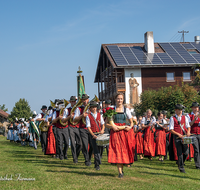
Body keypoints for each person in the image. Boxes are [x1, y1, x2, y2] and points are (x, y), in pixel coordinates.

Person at [105, 93, 135, 178]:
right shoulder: (111, 110)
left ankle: (122, 167)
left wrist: (130, 127)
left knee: (124, 150)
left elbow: (132, 122)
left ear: (123, 100)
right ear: (115, 99)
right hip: (115, 132)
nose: (120, 100)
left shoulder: (126, 110)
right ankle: (120, 172)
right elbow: (106, 124)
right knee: (117, 150)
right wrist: (112, 126)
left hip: (124, 133)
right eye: (118, 98)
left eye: (121, 99)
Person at [169, 104, 190, 173]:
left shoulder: (185, 117)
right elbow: (171, 129)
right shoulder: (172, 118)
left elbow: (188, 126)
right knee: (180, 152)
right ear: (176, 110)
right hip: (177, 137)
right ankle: (181, 168)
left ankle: (180, 162)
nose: (180, 111)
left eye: (181, 110)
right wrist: (178, 134)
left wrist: (188, 132)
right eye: (178, 110)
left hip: (184, 137)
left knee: (186, 152)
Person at [73, 94, 93, 166]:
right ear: (81, 100)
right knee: (84, 145)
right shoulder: (79, 109)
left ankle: (89, 158)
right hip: (82, 128)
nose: (85, 101)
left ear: (88, 100)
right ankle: (87, 160)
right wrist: (82, 116)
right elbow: (74, 119)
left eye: (86, 99)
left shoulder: (92, 108)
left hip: (91, 128)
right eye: (83, 99)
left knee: (92, 145)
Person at [62, 96, 82, 163]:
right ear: (70, 102)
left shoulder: (78, 108)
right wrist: (69, 117)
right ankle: (75, 159)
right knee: (73, 143)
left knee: (80, 144)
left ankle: (76, 155)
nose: (74, 102)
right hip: (70, 127)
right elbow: (63, 120)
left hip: (78, 127)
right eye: (72, 101)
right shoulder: (67, 110)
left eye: (75, 101)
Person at [86, 101, 105, 170]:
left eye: (94, 107)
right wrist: (93, 135)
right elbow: (88, 127)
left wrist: (102, 130)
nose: (94, 109)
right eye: (92, 107)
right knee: (95, 149)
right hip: (93, 134)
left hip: (99, 134)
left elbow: (103, 124)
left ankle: (96, 161)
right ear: (90, 108)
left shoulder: (100, 115)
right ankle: (97, 164)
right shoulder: (88, 116)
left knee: (100, 148)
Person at [187, 102, 200, 169]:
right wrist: (195, 119)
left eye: (196, 107)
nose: (195, 109)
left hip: (199, 133)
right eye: (194, 107)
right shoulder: (189, 116)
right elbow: (190, 124)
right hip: (193, 134)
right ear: (192, 108)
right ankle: (198, 165)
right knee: (196, 149)